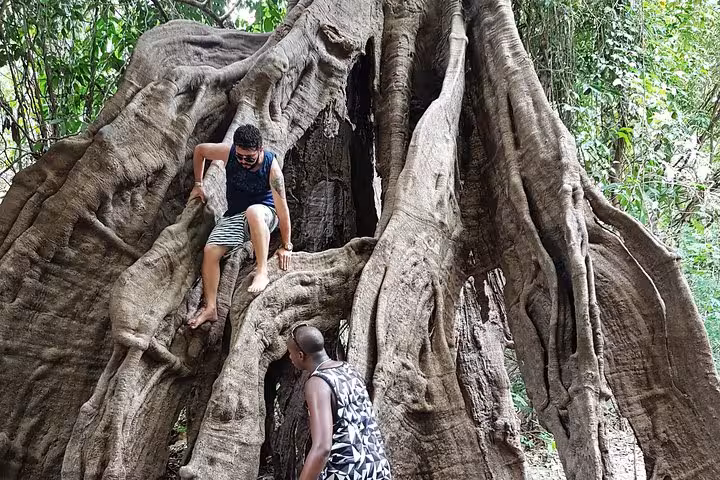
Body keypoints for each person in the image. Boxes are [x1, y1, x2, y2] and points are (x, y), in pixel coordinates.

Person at [188, 124, 292, 329]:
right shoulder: (229, 153)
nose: (243, 161)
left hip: (265, 214)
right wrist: (199, 184)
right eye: (240, 156)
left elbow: (283, 210)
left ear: (260, 150)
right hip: (236, 215)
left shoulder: (271, 169)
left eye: (249, 158)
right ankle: (210, 308)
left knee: (254, 211)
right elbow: (200, 150)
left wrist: (286, 245)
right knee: (210, 251)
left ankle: (261, 271)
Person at [287, 325, 392, 480]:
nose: (290, 357)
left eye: (290, 353)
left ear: (301, 355)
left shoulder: (317, 383)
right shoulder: (349, 370)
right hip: (377, 468)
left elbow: (322, 448)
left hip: (347, 473)